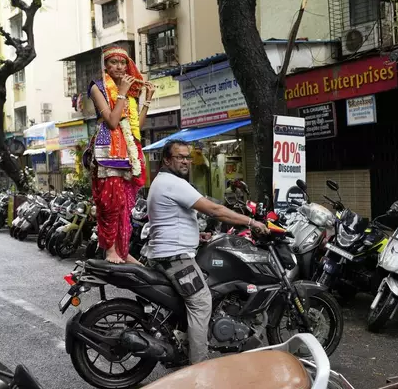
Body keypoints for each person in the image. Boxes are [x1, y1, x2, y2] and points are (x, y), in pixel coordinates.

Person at [146, 139, 269, 365]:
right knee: (201, 302)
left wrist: (197, 236)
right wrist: (252, 222)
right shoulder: (173, 183)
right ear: (166, 159)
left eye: (187, 157)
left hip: (168, 253)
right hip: (175, 259)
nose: (185, 161)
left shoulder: (163, 181)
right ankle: (200, 367)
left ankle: (183, 346)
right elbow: (215, 210)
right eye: (179, 157)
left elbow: (172, 219)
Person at [86, 44, 156, 265]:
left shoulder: (130, 95)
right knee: (110, 202)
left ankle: (123, 251)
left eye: (122, 62)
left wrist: (146, 99)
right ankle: (110, 250)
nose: (118, 67)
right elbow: (113, 121)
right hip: (108, 151)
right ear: (105, 66)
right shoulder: (98, 87)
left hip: (127, 150)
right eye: (113, 62)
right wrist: (123, 94)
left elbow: (137, 127)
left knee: (126, 205)